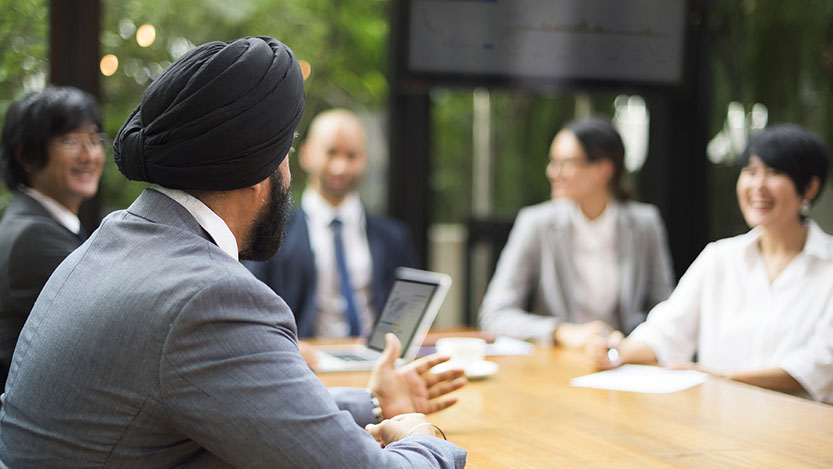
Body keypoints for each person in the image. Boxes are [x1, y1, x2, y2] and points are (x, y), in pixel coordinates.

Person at [0, 37, 467, 467]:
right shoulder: (209, 296)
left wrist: (375, 402)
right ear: (261, 169)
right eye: (286, 152)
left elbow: (238, 400)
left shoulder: (114, 239)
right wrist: (426, 435)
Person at [587, 124, 833, 404]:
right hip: (720, 428)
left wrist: (720, 377)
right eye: (750, 172)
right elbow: (667, 331)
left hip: (804, 431)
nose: (757, 186)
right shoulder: (720, 257)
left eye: (774, 173)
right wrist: (615, 351)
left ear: (810, 187)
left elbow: (820, 365)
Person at [479, 117, 675, 347]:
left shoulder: (644, 224)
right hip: (559, 363)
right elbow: (495, 314)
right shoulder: (536, 224)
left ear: (603, 170)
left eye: (567, 163)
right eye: (553, 162)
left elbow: (665, 310)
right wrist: (562, 333)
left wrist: (631, 343)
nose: (554, 172)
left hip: (622, 361)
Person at [247, 109, 417, 338]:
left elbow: (409, 316)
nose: (341, 167)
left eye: (352, 156)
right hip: (302, 362)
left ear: (365, 159)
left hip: (375, 360)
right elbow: (254, 310)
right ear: (306, 154)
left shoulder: (394, 237)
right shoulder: (271, 234)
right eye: (331, 153)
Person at [0, 86, 104, 389]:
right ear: (27, 156)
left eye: (94, 139)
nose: (89, 155)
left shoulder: (40, 222)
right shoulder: (32, 236)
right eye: (70, 141)